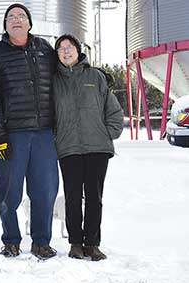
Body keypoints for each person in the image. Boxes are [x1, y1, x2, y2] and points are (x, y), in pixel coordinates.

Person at [0, 3, 59, 260]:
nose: (16, 20)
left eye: (21, 16)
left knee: (45, 191)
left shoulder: (45, 50)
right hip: (13, 134)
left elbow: (64, 77)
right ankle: (11, 240)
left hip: (44, 134)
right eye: (11, 17)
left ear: (29, 23)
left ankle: (41, 241)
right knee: (8, 191)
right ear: (5, 25)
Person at [53, 34, 123, 261]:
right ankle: (75, 243)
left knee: (94, 197)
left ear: (78, 49)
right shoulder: (53, 81)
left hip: (96, 148)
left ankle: (92, 244)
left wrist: (106, 134)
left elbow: (113, 111)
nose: (65, 51)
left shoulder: (96, 76)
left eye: (69, 47)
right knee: (73, 197)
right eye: (61, 48)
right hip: (68, 147)